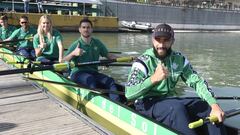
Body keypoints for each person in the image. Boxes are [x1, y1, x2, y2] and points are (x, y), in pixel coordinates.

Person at [125, 24, 226, 135]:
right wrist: (153, 79)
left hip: (168, 100)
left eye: (166, 40)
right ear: (152, 39)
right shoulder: (143, 61)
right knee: (176, 108)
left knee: (205, 106)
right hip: (146, 103)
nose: (161, 45)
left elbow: (197, 82)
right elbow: (129, 93)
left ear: (172, 41)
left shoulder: (179, 59)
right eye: (158, 40)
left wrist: (214, 105)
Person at [63, 18, 120, 102]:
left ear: (91, 29)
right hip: (78, 73)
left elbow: (109, 55)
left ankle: (117, 104)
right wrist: (73, 53)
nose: (86, 29)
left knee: (110, 81)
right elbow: (62, 61)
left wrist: (124, 59)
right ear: (80, 30)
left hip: (93, 72)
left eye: (88, 27)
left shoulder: (97, 43)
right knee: (91, 80)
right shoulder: (76, 44)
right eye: (84, 27)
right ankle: (96, 103)